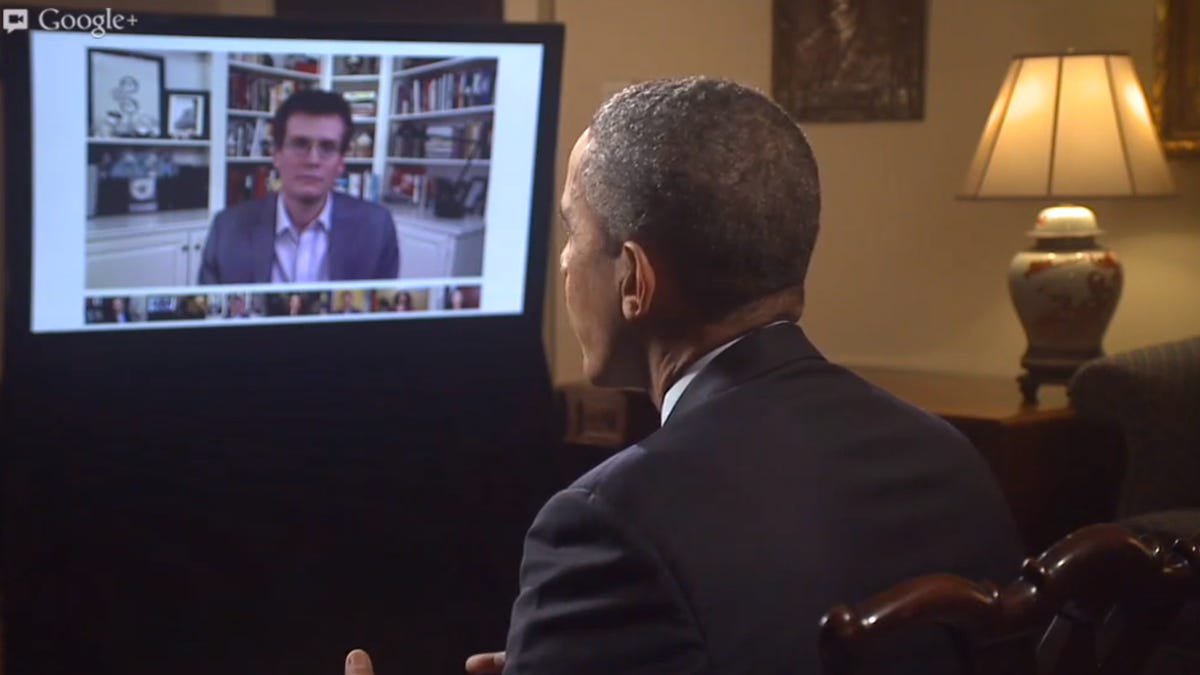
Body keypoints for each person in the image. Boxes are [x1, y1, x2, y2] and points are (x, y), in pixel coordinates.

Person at [345, 77, 1022, 675]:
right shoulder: (946, 458)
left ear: (635, 281)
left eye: (573, 232)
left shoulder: (607, 523)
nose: (565, 262)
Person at [198, 89, 399, 284]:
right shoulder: (226, 230)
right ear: (276, 155)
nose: (312, 160)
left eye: (327, 147)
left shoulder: (377, 229)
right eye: (300, 144)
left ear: (340, 163)